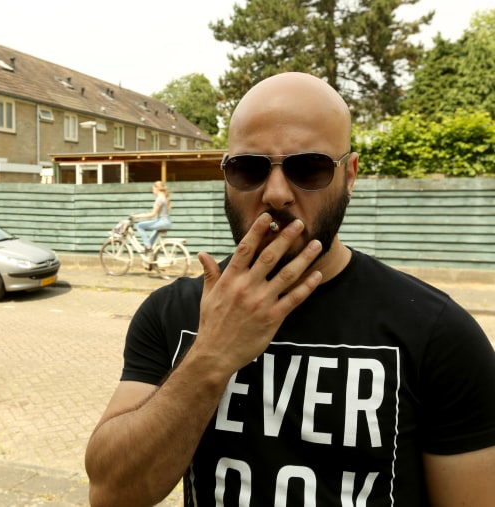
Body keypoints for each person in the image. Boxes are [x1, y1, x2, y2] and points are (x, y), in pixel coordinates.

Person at [85, 72, 495, 506]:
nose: (276, 193)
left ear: (350, 176)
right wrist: (211, 356)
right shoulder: (172, 313)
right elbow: (112, 493)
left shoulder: (435, 332)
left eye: (309, 167)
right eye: (249, 168)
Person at [132, 181, 172, 252]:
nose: (152, 191)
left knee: (139, 226)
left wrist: (138, 216)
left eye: (153, 189)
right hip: (165, 222)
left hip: (162, 222)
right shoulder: (163, 197)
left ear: (157, 188)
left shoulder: (160, 198)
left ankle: (148, 246)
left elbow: (152, 214)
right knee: (151, 238)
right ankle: (150, 251)